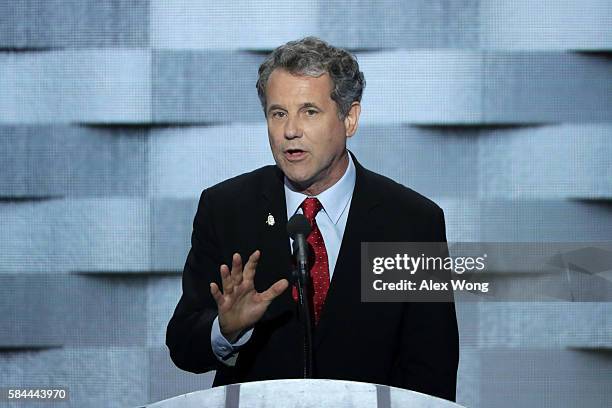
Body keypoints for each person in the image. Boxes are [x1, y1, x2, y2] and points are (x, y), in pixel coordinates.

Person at [166, 37, 459, 401]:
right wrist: (226, 330)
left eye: (309, 111)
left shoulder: (411, 223)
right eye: (278, 113)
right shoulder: (227, 209)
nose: (291, 130)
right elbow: (182, 346)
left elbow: (432, 373)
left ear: (349, 118)